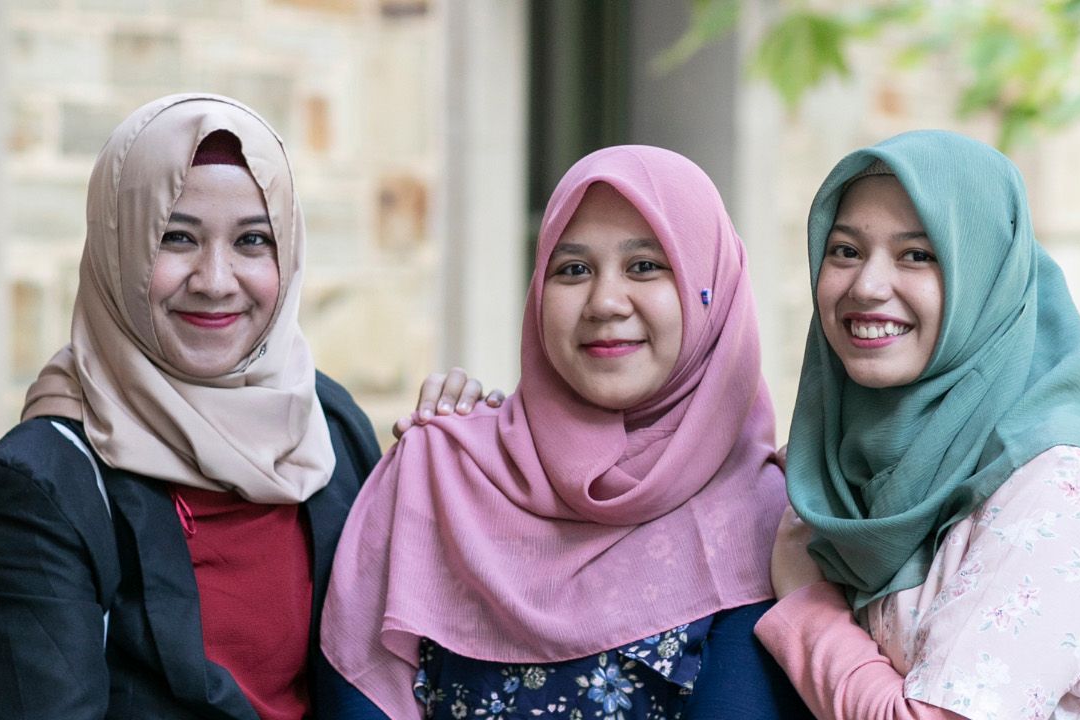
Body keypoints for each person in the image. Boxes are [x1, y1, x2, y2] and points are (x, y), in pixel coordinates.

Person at [0, 93, 494, 720]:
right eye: (176, 237)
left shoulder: (327, 425)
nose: (215, 280)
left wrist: (474, 459)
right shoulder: (45, 483)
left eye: (252, 240)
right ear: (118, 247)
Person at [321, 145, 811, 719]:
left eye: (645, 265)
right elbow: (357, 688)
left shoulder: (765, 517)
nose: (604, 301)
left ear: (712, 290)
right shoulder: (436, 467)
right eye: (573, 269)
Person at [758, 130, 1080, 720]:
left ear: (986, 280)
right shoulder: (835, 473)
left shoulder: (1054, 492)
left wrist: (807, 605)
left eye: (919, 254)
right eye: (846, 251)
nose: (867, 286)